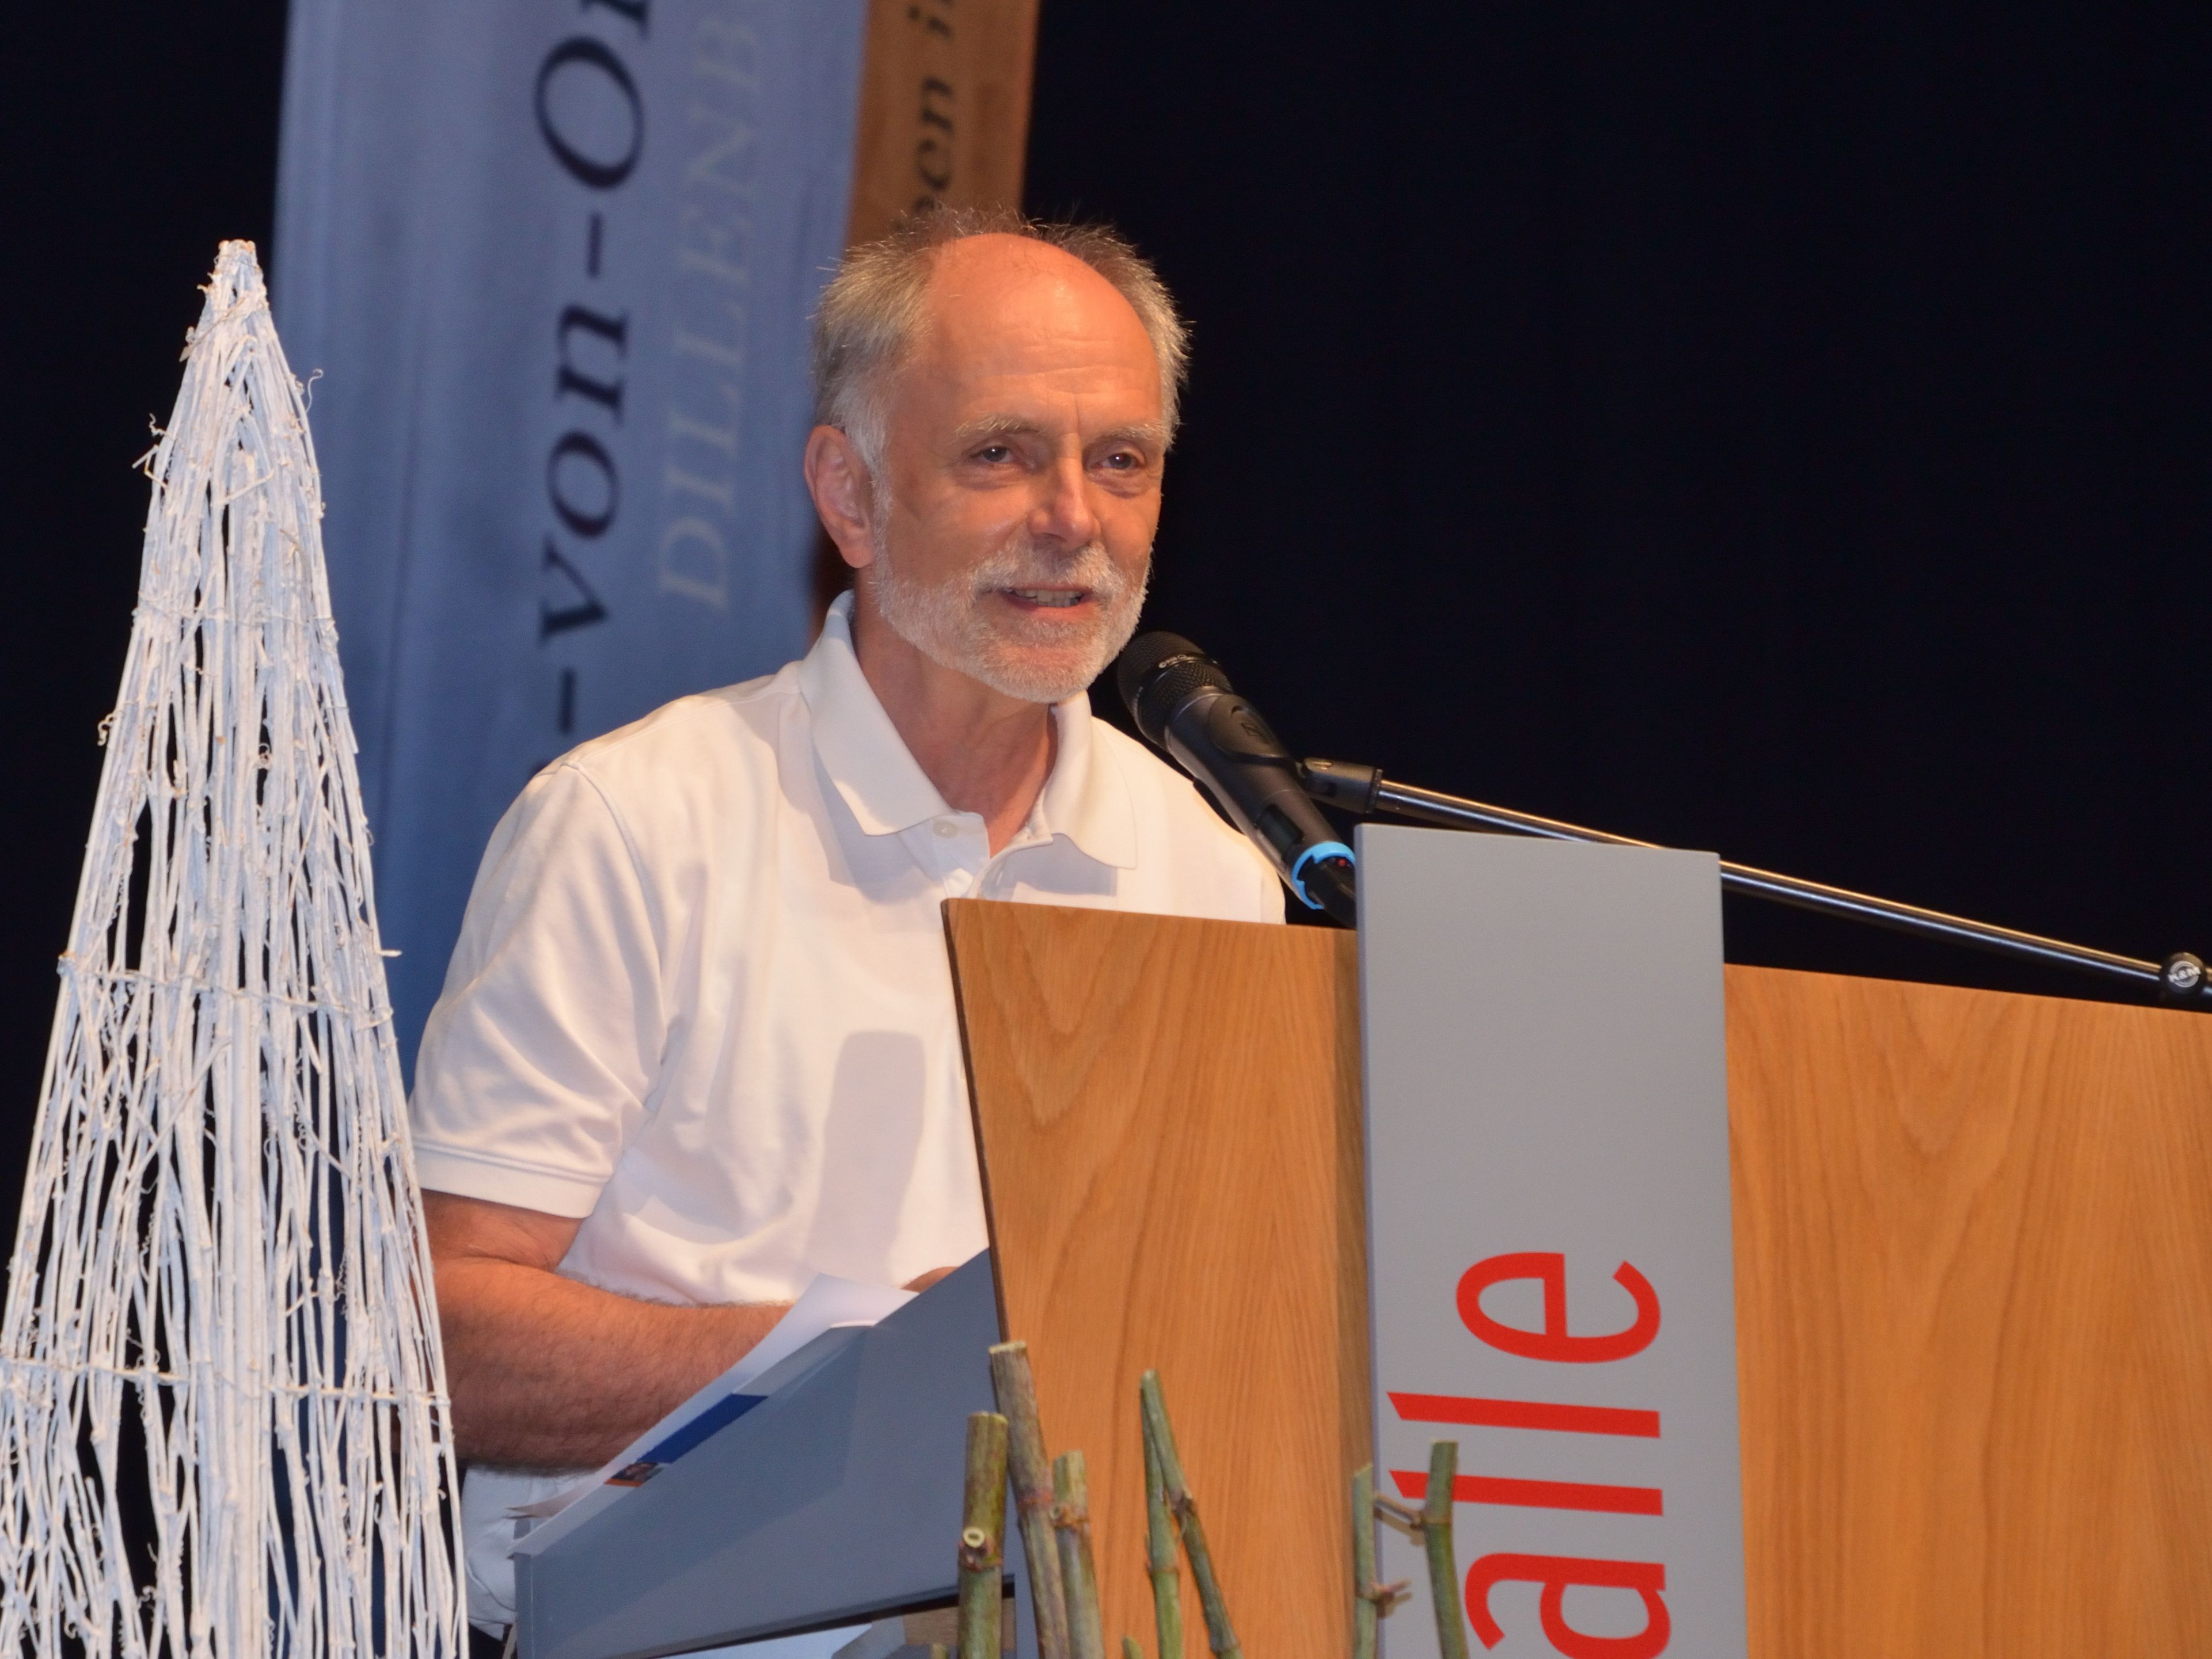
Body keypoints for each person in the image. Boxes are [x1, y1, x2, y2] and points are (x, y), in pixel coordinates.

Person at [407, 207, 1283, 1633]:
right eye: (1001, 454)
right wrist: (873, 1373)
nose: (1073, 516)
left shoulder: (1211, 874)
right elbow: (439, 1335)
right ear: (851, 496)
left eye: (1120, 461)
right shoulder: (641, 821)